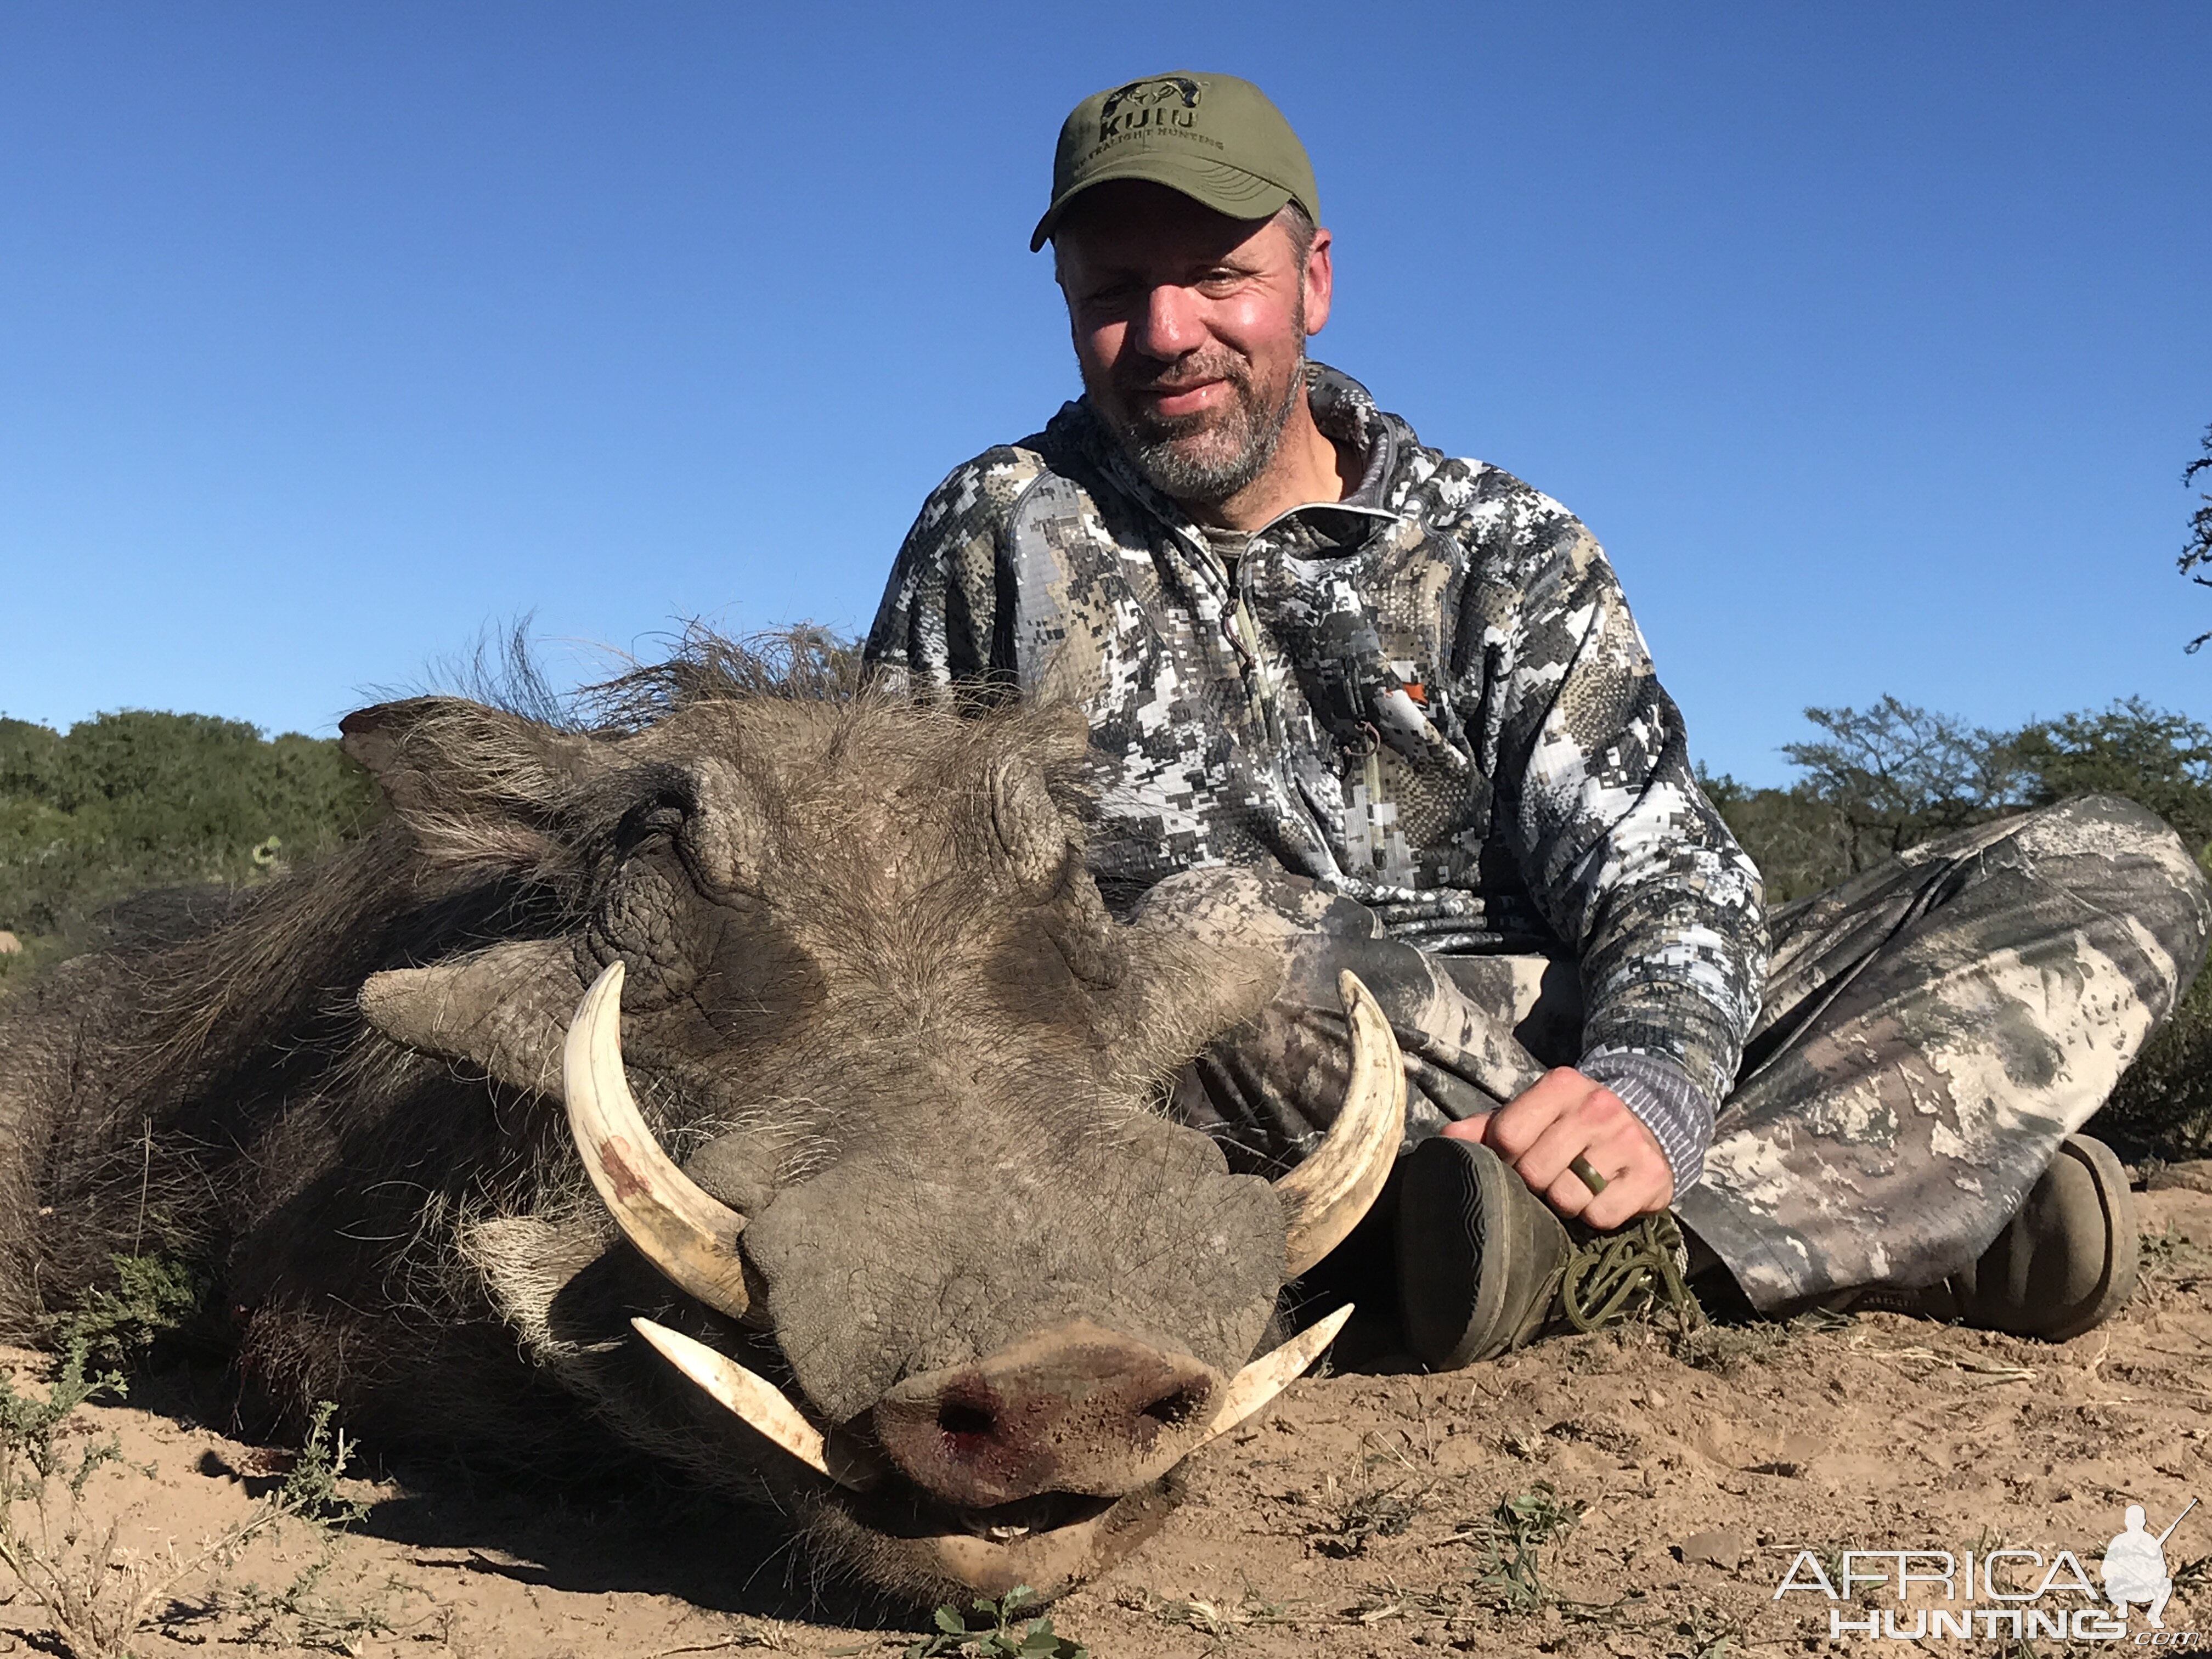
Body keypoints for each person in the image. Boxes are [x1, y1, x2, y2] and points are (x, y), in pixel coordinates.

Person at [864, 71, 2211, 1367]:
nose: (1165, 334)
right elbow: (889, 909)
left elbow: (1667, 874)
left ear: (1314, 281)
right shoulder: (994, 533)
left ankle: (1579, 1237)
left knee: (2118, 864)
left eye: (1219, 278)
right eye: (1113, 294)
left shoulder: (1505, 544)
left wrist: (1655, 1086)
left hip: (1576, 1034)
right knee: (1205, 940)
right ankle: (1879, 1209)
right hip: (1260, 1070)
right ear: (1066, 304)